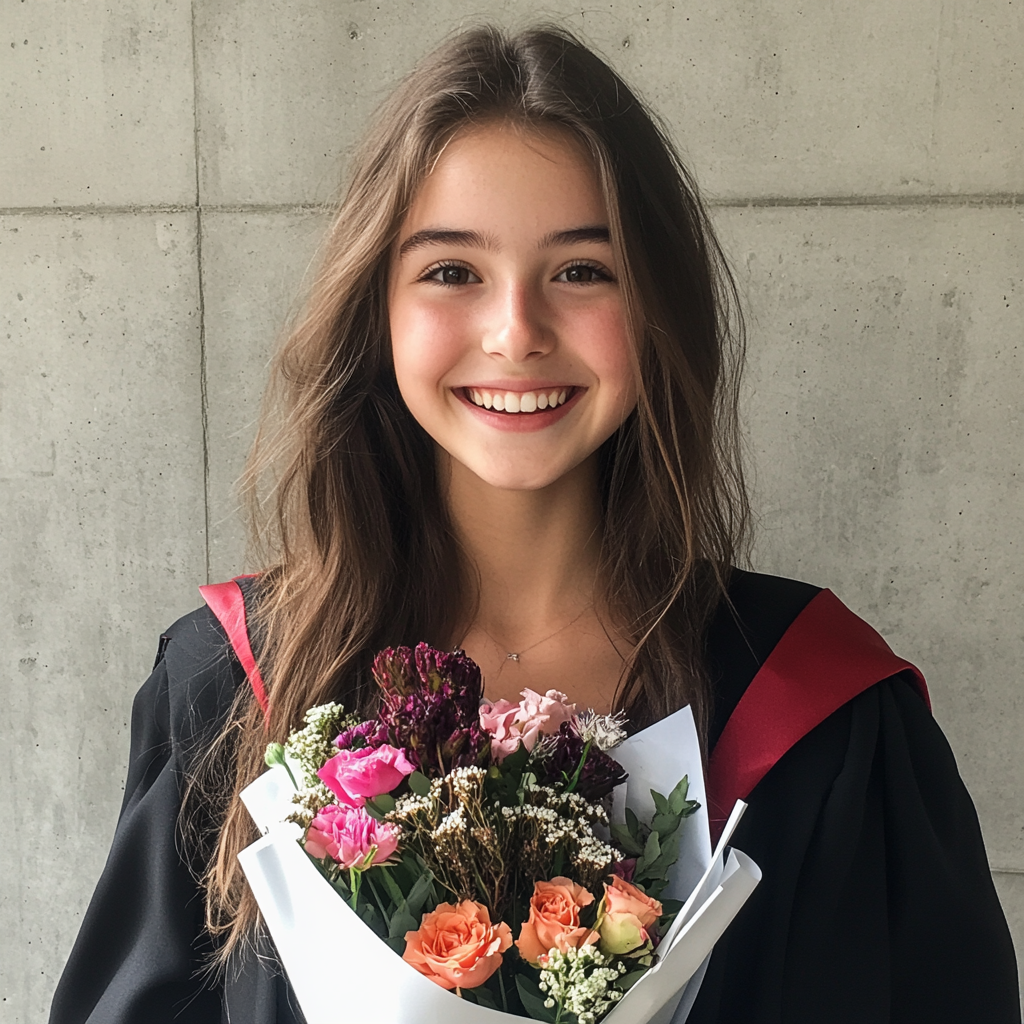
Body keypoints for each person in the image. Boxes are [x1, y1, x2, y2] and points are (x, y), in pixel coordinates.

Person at [50, 24, 1019, 1024]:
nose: (516, 330)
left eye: (582, 271)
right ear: (374, 312)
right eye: (450, 271)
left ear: (656, 307)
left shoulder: (824, 720)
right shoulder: (230, 692)